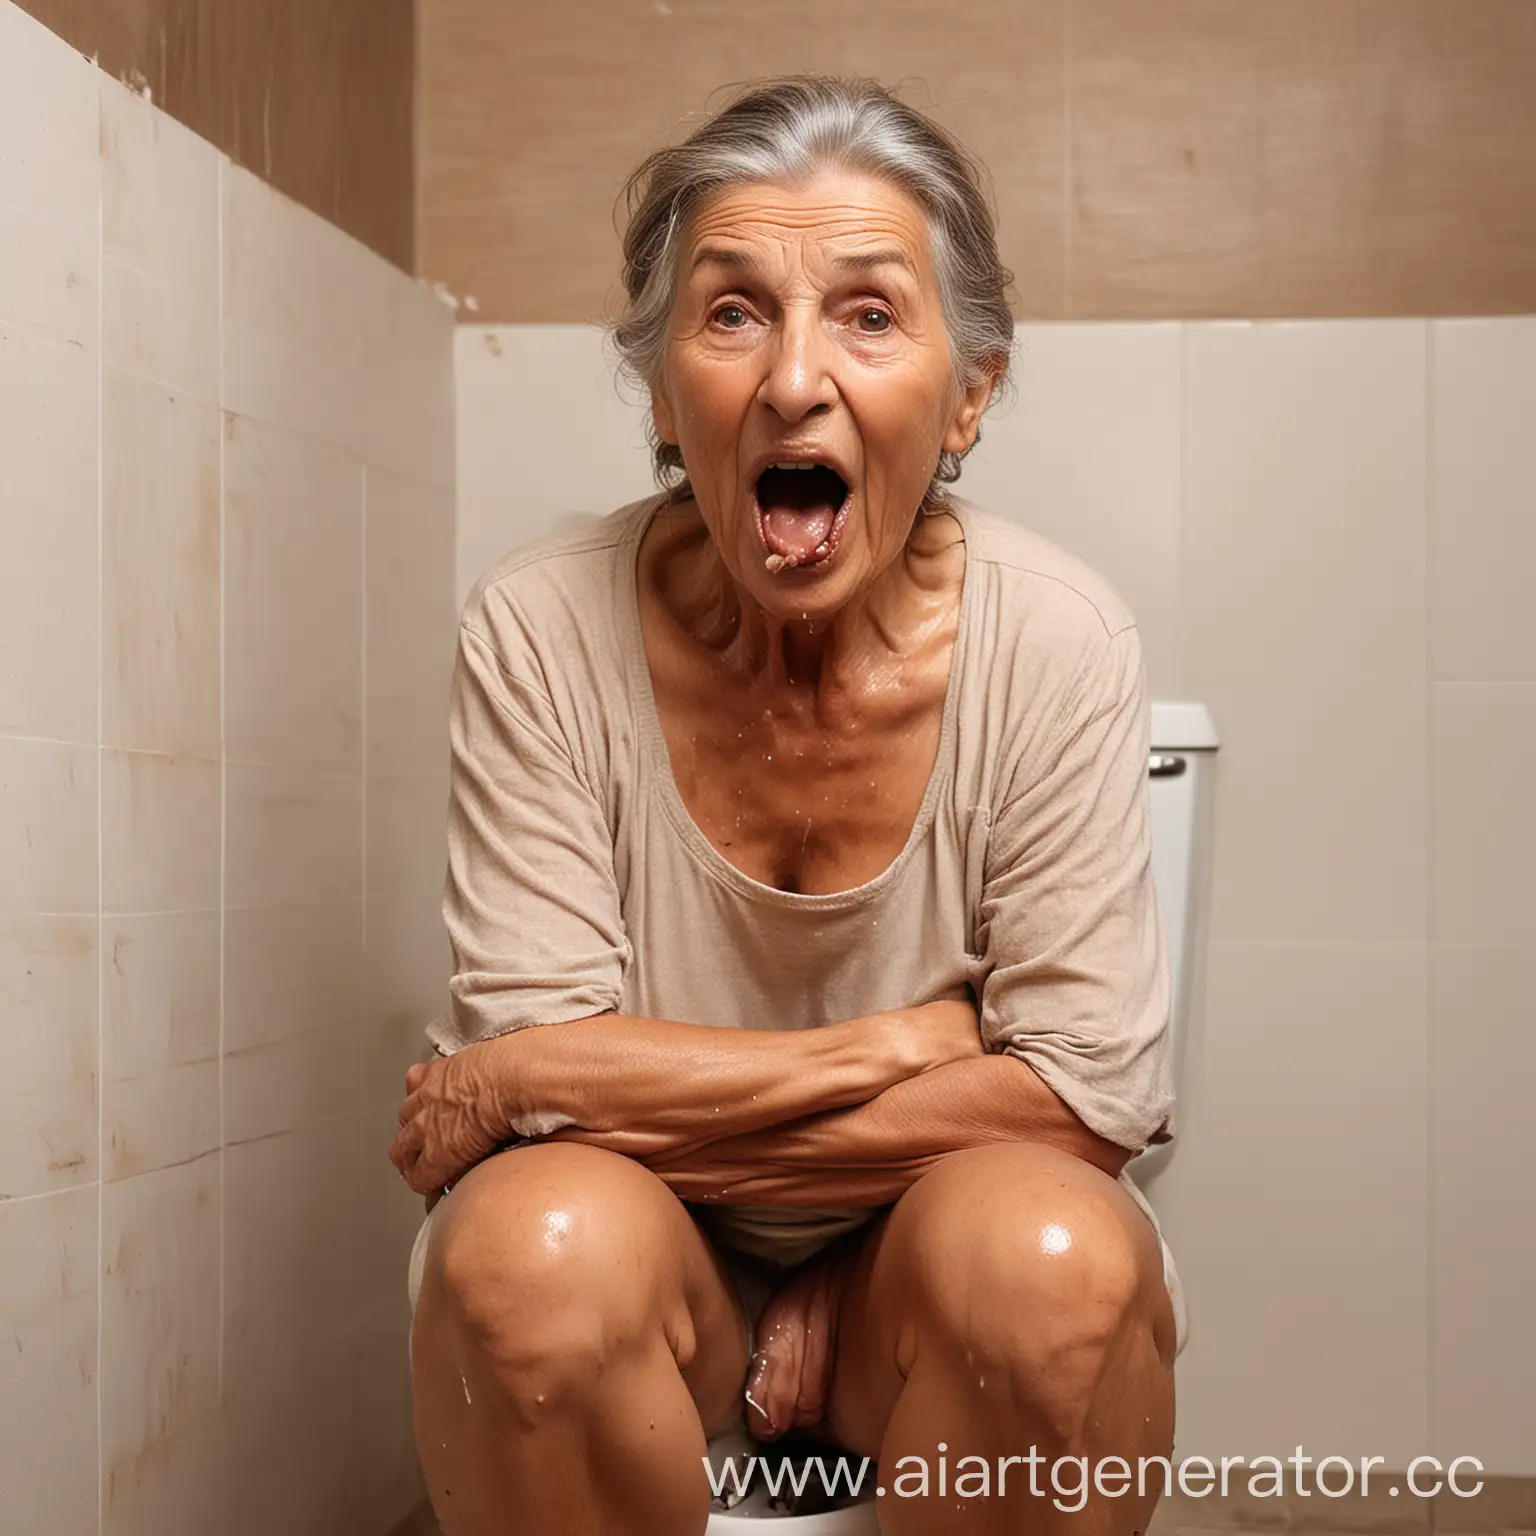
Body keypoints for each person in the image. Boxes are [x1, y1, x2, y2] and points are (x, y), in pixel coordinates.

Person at [390, 75, 1182, 1536]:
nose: (794, 382)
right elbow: (529, 1096)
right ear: (658, 381)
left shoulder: (1062, 637)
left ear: (970, 392)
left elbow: (1082, 1105)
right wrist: (899, 1043)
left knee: (1057, 1264)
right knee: (526, 1248)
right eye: (733, 311)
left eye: (871, 316)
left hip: (926, 1279)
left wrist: (539, 1087)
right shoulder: (537, 627)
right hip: (648, 1276)